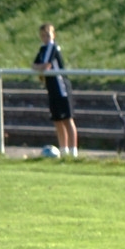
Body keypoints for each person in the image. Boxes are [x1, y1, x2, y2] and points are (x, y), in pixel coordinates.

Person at [32, 23, 78, 158]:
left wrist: (39, 67)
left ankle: (73, 151)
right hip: (51, 88)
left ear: (53, 35)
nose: (45, 38)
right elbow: (34, 65)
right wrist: (39, 67)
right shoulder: (42, 49)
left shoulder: (53, 47)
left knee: (67, 119)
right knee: (57, 119)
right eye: (43, 35)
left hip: (61, 87)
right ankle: (63, 150)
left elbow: (46, 66)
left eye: (48, 35)